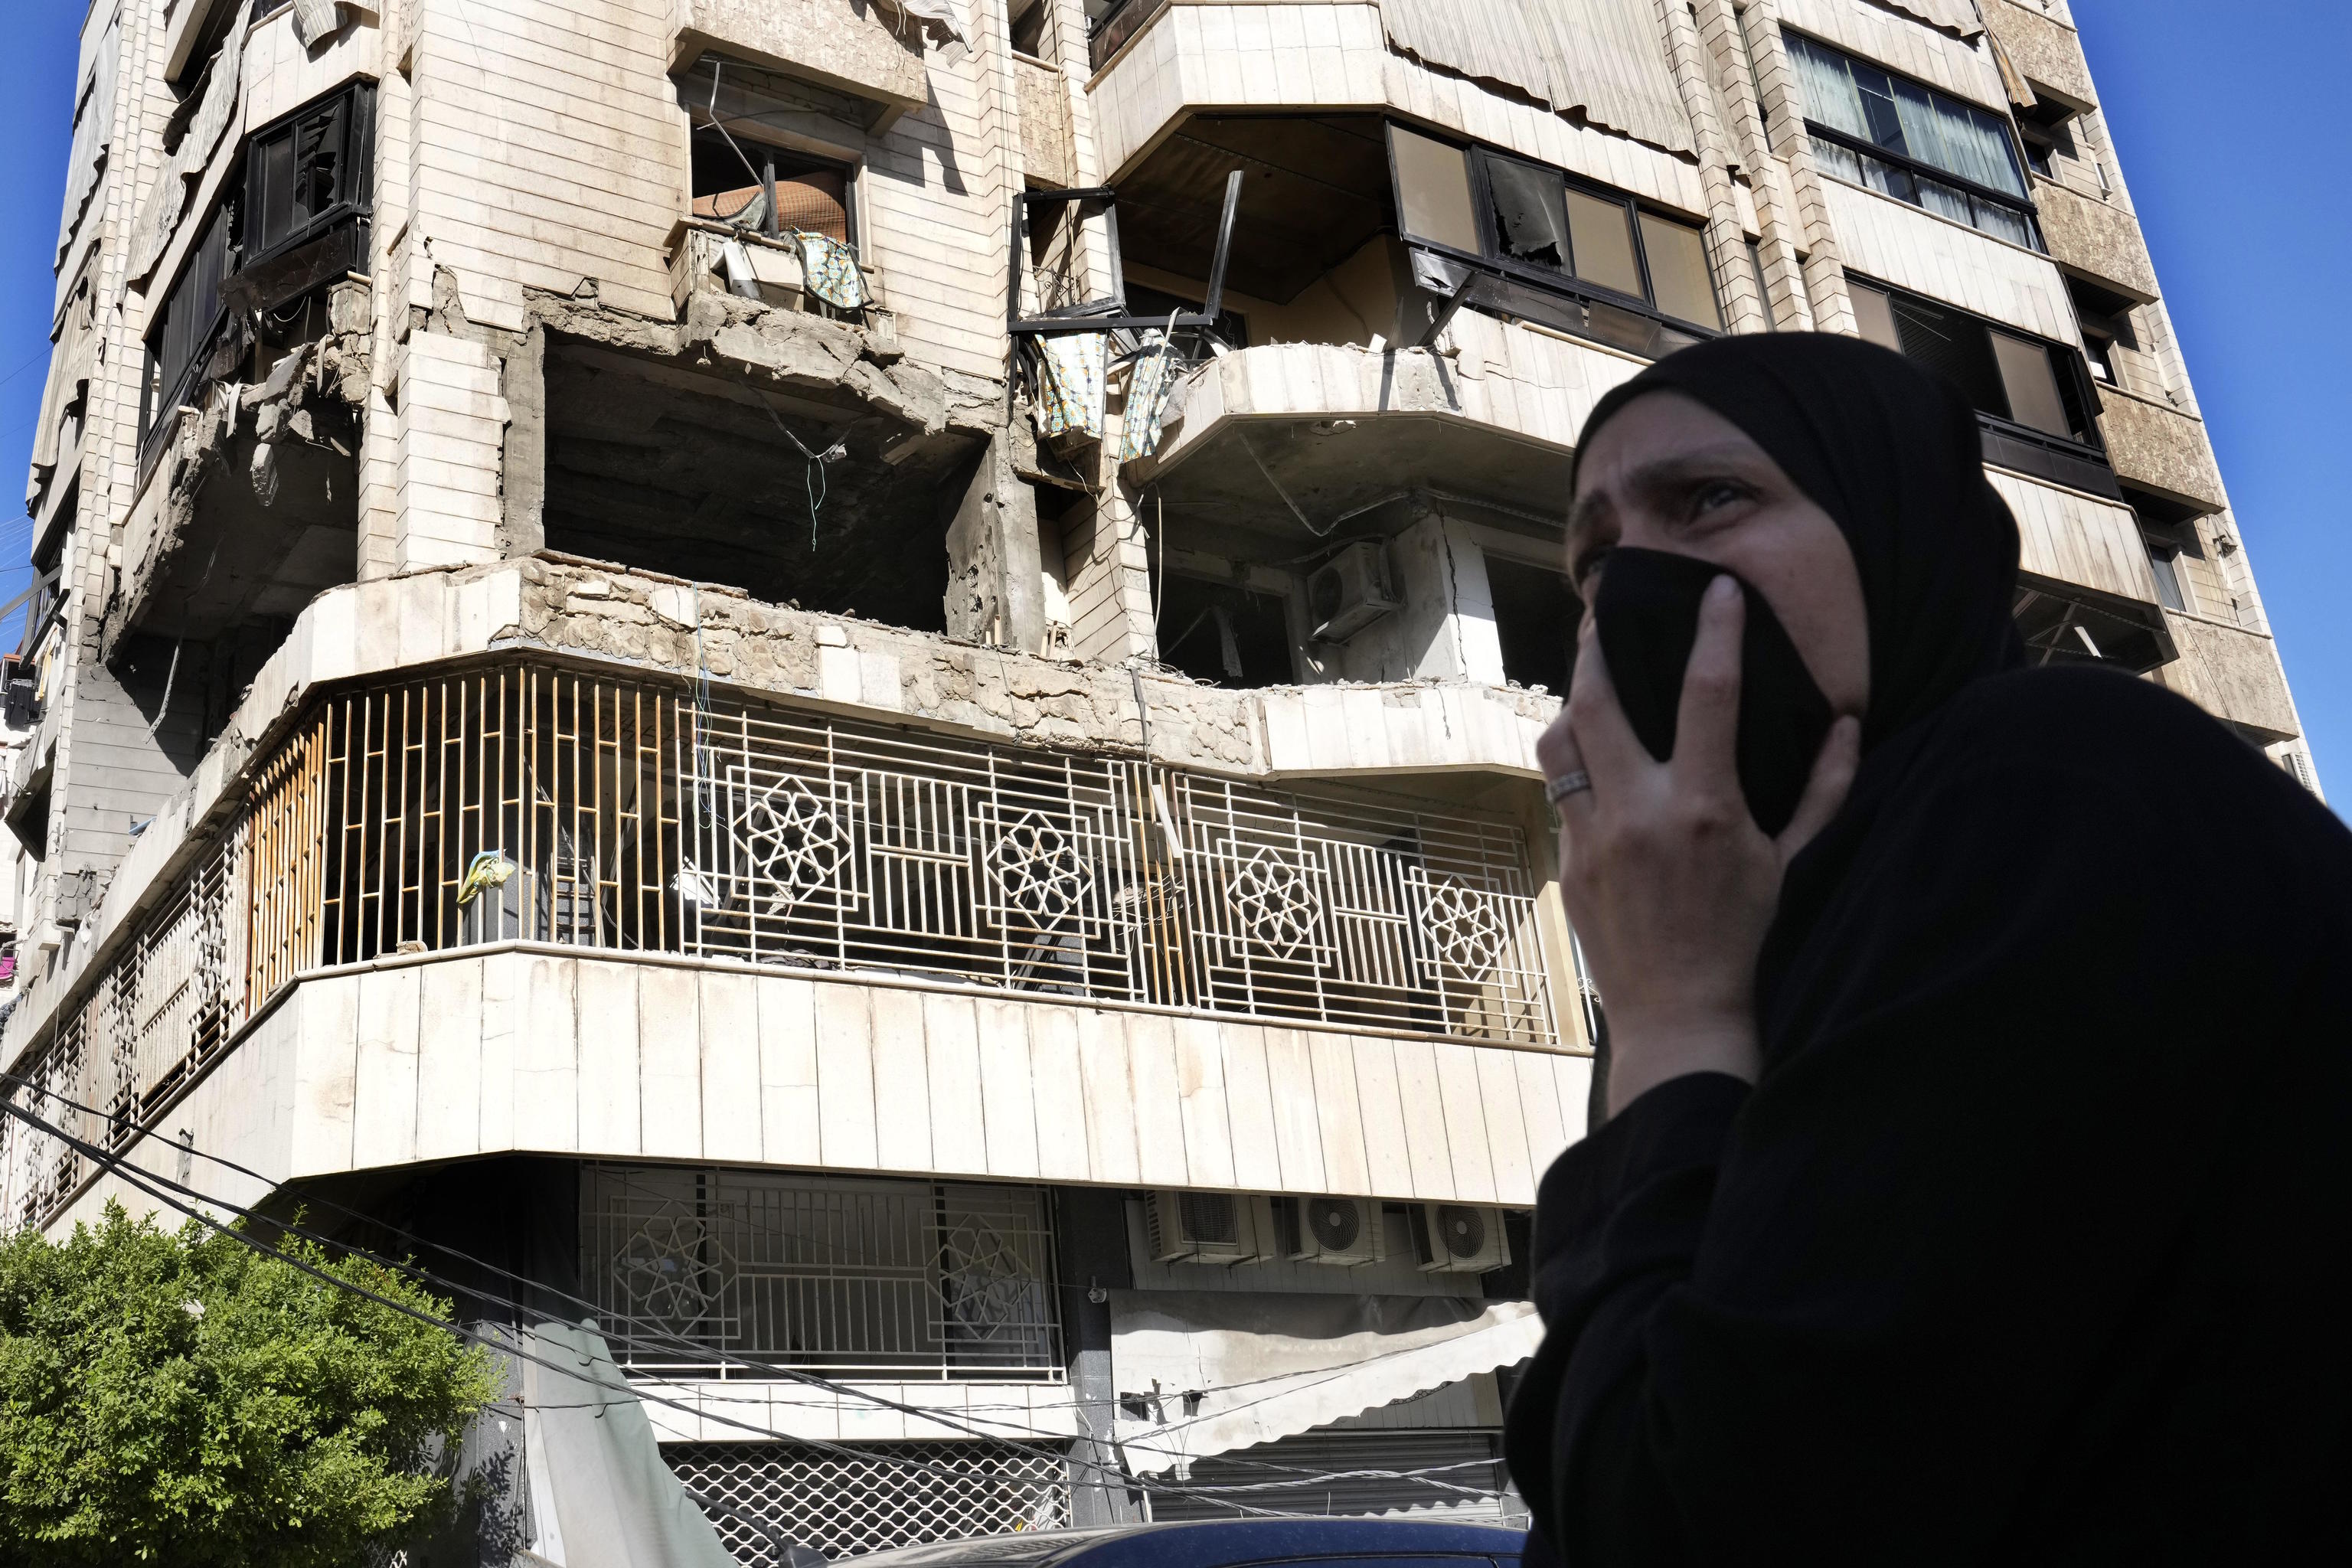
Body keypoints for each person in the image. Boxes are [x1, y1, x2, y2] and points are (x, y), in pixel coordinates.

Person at [1505, 332, 2352, 1563]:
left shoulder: (2055, 787)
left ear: (1894, 528)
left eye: (1709, 501)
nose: (1632, 588)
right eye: (1594, 560)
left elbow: (1696, 1521)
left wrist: (1673, 1022)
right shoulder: (1775, 920)